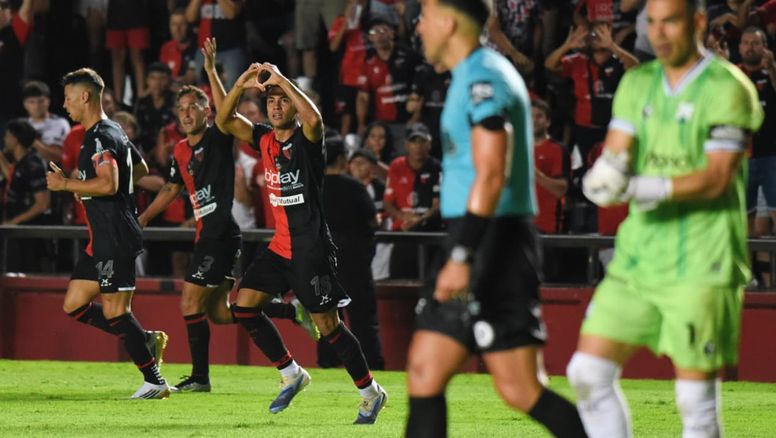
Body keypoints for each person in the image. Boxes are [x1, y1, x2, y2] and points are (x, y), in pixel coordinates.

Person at [573, 0, 764, 436]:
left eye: (669, 22)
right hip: (640, 255)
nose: (658, 33)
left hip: (703, 258)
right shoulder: (637, 83)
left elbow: (718, 177)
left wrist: (647, 187)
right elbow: (619, 148)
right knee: (587, 373)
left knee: (695, 404)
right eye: (651, 23)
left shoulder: (728, 87)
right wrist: (606, 173)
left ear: (697, 22)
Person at [406, 1, 588, 437]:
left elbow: (492, 169)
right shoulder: (473, 73)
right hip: (481, 237)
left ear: (448, 23)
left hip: (490, 241)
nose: (418, 26)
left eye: (425, 16)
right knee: (428, 373)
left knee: (520, 388)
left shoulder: (483, 76)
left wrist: (462, 254)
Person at [215, 57, 387, 423]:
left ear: (294, 104)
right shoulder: (262, 137)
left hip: (311, 250)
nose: (277, 105)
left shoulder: (308, 140)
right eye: (271, 100)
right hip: (280, 247)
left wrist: (281, 78)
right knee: (243, 307)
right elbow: (223, 120)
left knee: (329, 328)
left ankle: (371, 393)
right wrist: (243, 81)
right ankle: (291, 373)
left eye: (284, 100)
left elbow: (315, 120)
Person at [46, 68, 169, 399]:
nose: (65, 104)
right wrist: (89, 188)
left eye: (69, 98)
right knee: (74, 304)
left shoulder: (99, 136)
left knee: (116, 311)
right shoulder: (114, 130)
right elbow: (139, 170)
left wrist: (67, 185)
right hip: (101, 237)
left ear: (85, 97)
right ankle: (144, 338)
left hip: (114, 234)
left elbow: (110, 182)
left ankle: (154, 380)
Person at [320, 137, 385, 370]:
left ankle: (328, 362)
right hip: (354, 260)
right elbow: (373, 220)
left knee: (326, 315)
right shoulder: (355, 187)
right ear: (343, 159)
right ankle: (372, 365)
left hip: (323, 261)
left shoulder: (314, 186)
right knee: (362, 318)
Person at [22, 81, 70, 163]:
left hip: (51, 173)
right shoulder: (20, 126)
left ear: (48, 101)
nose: (36, 106)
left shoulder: (60, 124)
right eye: (31, 102)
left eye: (41, 101)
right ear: (25, 104)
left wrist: (33, 141)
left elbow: (62, 157)